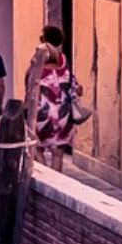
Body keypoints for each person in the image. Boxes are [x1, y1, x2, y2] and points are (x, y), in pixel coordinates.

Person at [26, 26, 89, 170]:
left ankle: (44, 175)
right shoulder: (64, 60)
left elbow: (29, 80)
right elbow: (75, 88)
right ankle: (55, 179)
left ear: (43, 40)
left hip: (42, 111)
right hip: (63, 113)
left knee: (35, 146)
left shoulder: (38, 58)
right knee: (58, 154)